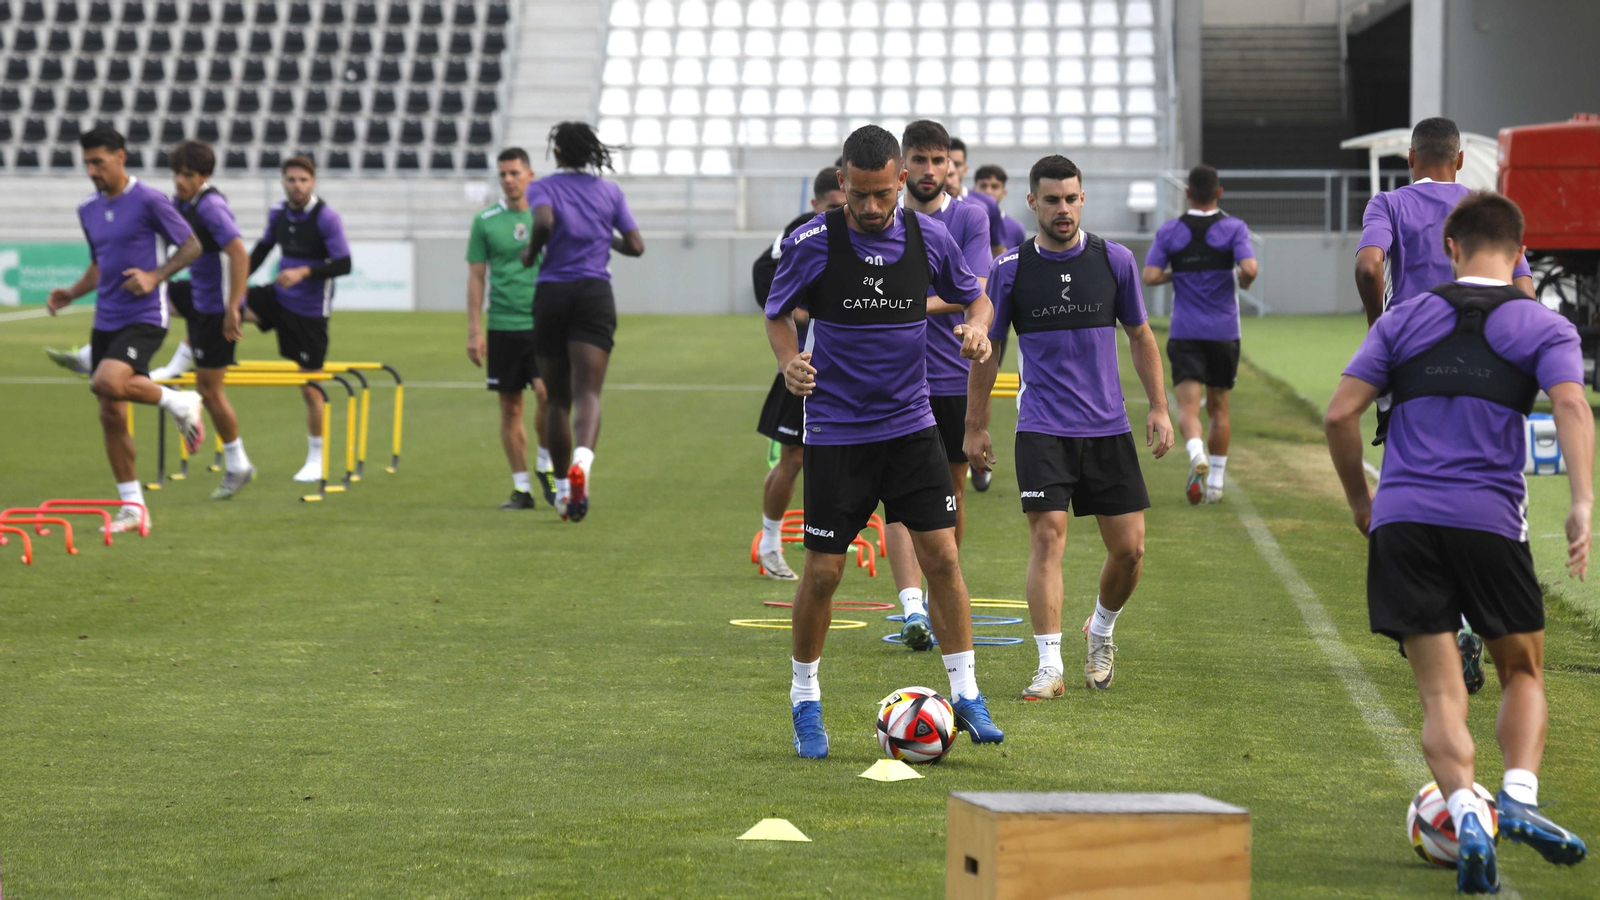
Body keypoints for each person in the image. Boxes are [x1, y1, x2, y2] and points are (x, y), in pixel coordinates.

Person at [1326, 191, 1591, 893]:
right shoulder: (1543, 324)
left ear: (1450, 246)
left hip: (1405, 521)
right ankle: (1522, 799)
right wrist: (1584, 502)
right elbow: (1570, 404)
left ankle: (1467, 811)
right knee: (1523, 673)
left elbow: (1339, 415)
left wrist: (1363, 503)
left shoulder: (1404, 317)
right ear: (1520, 250)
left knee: (1442, 698)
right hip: (1491, 521)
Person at [765, 125, 1003, 758]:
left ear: (901, 181)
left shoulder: (930, 236)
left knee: (944, 559)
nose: (870, 208)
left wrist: (978, 331)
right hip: (839, 432)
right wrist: (790, 361)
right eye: (859, 195)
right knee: (823, 573)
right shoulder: (812, 241)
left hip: (912, 425)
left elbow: (975, 299)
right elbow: (776, 314)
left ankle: (967, 694)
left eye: (881, 195)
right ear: (842, 182)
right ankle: (805, 700)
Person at [966, 155, 1175, 701]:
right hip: (1042, 428)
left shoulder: (1116, 260)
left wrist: (1158, 407)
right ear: (1031, 202)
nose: (1063, 208)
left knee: (1129, 550)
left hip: (1107, 429)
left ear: (1083, 199)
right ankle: (1049, 665)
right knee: (1047, 538)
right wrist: (976, 425)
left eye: (1072, 198)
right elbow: (989, 352)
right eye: (1052, 199)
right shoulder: (1011, 268)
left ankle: (1100, 630)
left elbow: (1140, 335)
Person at [1355, 117, 1534, 692]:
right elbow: (1526, 290)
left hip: (1415, 363)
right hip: (1487, 368)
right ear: (1459, 162)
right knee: (1481, 486)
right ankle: (1474, 623)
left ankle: (1440, 623)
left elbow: (1369, 264)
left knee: (1416, 491)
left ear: (1411, 158)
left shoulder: (1389, 202)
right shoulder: (1487, 207)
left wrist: (1377, 327)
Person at [45, 126, 206, 533]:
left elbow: (191, 246)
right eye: (87, 163)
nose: (92, 170)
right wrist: (72, 292)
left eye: (98, 161)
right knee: (110, 410)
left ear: (121, 156)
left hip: (145, 315)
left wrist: (155, 275)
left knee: (106, 380)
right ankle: (133, 508)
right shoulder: (88, 209)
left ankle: (179, 402)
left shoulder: (149, 199)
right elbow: (100, 264)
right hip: (106, 318)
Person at [886, 120, 992, 651]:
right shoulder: (885, 215)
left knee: (950, 490)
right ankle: (911, 609)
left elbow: (973, 291)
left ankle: (936, 591)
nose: (931, 171)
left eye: (939, 160)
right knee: (898, 501)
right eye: (921, 161)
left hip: (951, 374)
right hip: (895, 376)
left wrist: (898, 302)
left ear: (951, 163)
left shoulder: (970, 216)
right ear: (904, 164)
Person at [519, 122, 644, 523]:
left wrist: (529, 254)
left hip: (553, 293)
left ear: (557, 152)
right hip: (594, 294)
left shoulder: (543, 187)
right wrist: (604, 237)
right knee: (589, 393)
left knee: (557, 399)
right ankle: (583, 464)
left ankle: (560, 492)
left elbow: (542, 222)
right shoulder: (608, 191)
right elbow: (637, 246)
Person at [1141, 165, 1257, 505]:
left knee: (1188, 408)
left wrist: (1178, 274)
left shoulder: (1171, 231)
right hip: (1223, 331)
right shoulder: (1234, 227)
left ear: (1188, 193)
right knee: (1219, 409)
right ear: (1218, 193)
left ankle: (1195, 454)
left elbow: (1149, 276)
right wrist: (1243, 280)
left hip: (1185, 331)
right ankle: (1217, 485)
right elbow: (1249, 269)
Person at [752, 167, 847, 580]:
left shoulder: (872, 228)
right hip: (805, 364)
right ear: (816, 205)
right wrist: (794, 311)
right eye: (832, 208)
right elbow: (763, 271)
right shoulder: (802, 231)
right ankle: (770, 543)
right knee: (792, 457)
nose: (842, 213)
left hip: (854, 368)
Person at [244, 155, 352, 482]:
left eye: (303, 180)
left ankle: (316, 459)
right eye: (291, 180)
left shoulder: (326, 217)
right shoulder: (277, 213)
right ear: (283, 182)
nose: (297, 186)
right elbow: (261, 250)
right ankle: (197, 363)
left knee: (310, 388)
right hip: (278, 297)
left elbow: (344, 264)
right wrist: (237, 283)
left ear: (313, 182)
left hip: (310, 312)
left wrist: (304, 271)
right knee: (225, 307)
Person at [468, 147, 556, 510]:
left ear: (530, 175)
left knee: (548, 395)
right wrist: (474, 330)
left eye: (514, 173)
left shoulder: (548, 216)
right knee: (510, 407)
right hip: (502, 324)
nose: (508, 180)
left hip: (542, 322)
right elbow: (476, 276)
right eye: (502, 174)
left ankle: (545, 465)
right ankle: (521, 488)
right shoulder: (485, 220)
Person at [167, 140, 255, 499]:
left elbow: (239, 255)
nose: (180, 181)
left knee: (210, 390)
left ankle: (238, 465)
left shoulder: (212, 207)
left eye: (188, 175)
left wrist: (234, 306)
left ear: (204, 176)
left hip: (218, 310)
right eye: (176, 173)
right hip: (200, 303)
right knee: (140, 296)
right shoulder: (181, 203)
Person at [944, 138, 1006, 257]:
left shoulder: (986, 204)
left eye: (956, 164)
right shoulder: (923, 204)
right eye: (943, 162)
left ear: (965, 169)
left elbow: (997, 250)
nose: (950, 168)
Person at [973, 165, 1027, 251]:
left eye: (994, 187)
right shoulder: (965, 221)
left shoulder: (1016, 229)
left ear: (1003, 193)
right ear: (974, 190)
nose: (988, 191)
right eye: (983, 186)